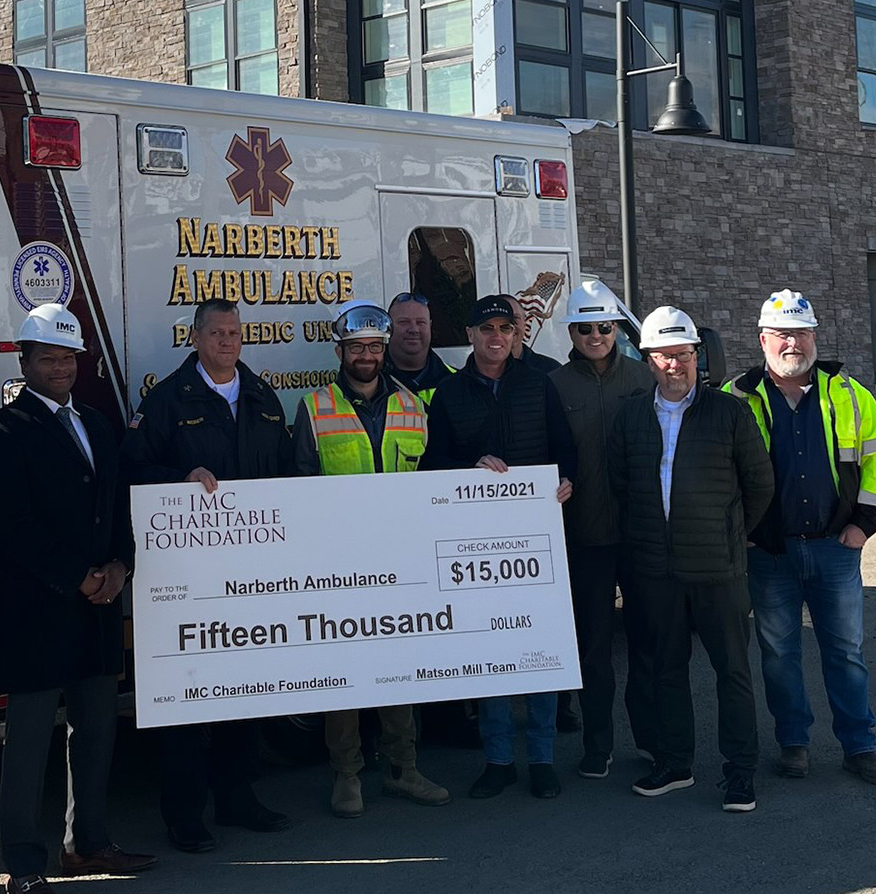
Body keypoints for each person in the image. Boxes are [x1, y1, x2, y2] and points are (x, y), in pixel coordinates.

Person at [0, 304, 157, 894]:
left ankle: (88, 844)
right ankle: (24, 870)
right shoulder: (2, 431)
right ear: (24, 362)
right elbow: (12, 526)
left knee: (96, 730)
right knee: (27, 744)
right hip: (37, 611)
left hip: (97, 606)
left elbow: (118, 506)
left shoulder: (97, 425)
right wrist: (78, 576)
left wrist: (121, 566)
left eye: (68, 358)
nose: (60, 368)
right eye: (48, 358)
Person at [120, 297, 295, 852]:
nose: (226, 342)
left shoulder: (263, 397)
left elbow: (287, 472)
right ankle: (185, 814)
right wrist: (179, 478)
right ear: (194, 337)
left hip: (252, 572)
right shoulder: (167, 400)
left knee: (244, 689)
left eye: (234, 333)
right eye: (216, 333)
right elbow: (132, 468)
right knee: (188, 695)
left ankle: (238, 798)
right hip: (187, 577)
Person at [723, 289, 876, 786]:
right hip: (770, 553)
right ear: (763, 339)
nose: (792, 343)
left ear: (814, 337)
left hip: (834, 546)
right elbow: (717, 471)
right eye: (782, 334)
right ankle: (793, 743)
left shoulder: (848, 393)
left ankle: (860, 746)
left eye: (801, 333)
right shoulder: (735, 397)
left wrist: (864, 524)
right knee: (779, 656)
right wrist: (742, 533)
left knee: (846, 654)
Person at [608, 306, 773, 812]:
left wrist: (732, 534)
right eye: (663, 356)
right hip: (657, 571)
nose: (674, 365)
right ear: (648, 361)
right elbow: (621, 484)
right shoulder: (631, 415)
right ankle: (675, 763)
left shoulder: (729, 413)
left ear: (697, 356)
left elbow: (760, 484)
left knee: (733, 672)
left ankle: (740, 773)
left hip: (718, 569)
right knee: (666, 671)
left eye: (682, 354)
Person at [293, 300, 452, 818]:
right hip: (338, 566)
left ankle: (404, 769)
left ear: (384, 350)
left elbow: (433, 483)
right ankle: (347, 775)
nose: (366, 356)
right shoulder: (314, 408)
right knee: (344, 674)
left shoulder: (413, 406)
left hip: (401, 562)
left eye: (374, 347)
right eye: (356, 347)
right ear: (340, 351)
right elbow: (298, 490)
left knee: (398, 670)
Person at [421, 294, 577, 800]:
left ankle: (542, 758)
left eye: (506, 329)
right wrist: (467, 470)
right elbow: (431, 465)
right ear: (470, 334)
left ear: (516, 335)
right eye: (487, 328)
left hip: (538, 538)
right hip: (477, 544)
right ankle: (499, 760)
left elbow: (565, 448)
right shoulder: (449, 392)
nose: (496, 337)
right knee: (491, 651)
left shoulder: (540, 383)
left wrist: (568, 480)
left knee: (541, 648)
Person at [548, 281, 654, 779]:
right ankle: (597, 746)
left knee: (648, 644)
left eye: (605, 327)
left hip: (640, 535)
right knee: (593, 650)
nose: (596, 336)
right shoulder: (554, 385)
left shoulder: (644, 377)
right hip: (584, 536)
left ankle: (650, 741)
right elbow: (546, 453)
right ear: (571, 331)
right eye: (586, 328)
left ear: (617, 329)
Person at [383, 291, 455, 401]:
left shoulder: (457, 381)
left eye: (420, 322)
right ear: (388, 327)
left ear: (430, 326)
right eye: (404, 322)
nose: (414, 329)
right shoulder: (370, 380)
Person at [501, 293, 564, 373]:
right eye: (502, 319)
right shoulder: (484, 371)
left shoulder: (552, 371)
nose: (510, 325)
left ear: (525, 322)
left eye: (515, 317)